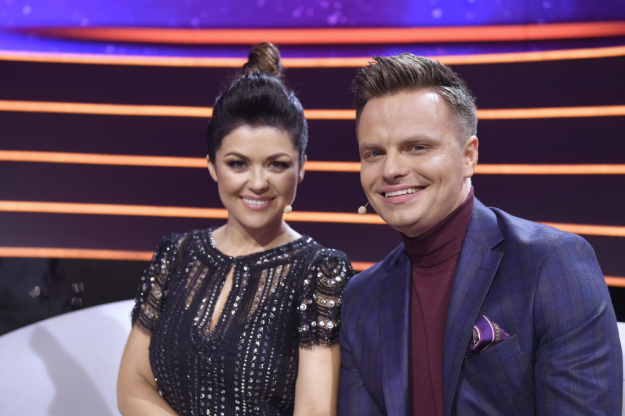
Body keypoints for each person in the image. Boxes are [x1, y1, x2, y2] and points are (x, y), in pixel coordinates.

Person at [338, 53, 622, 415]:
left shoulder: (551, 263)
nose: (391, 169)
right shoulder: (360, 298)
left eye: (417, 147)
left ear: (469, 155)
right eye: (374, 153)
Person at [117, 42, 353, 416]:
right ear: (212, 165)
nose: (257, 183)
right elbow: (133, 383)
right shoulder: (176, 255)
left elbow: (315, 410)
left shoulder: (319, 272)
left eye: (276, 164)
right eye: (238, 164)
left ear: (301, 168)